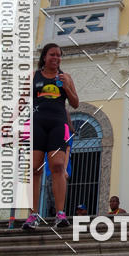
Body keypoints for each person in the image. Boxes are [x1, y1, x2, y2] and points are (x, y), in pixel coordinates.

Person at [23, 44, 79, 230]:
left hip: (58, 123)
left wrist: (65, 86)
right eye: (52, 54)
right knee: (34, 168)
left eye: (59, 55)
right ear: (44, 57)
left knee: (57, 165)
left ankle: (60, 213)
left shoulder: (66, 77)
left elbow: (75, 103)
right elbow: (23, 101)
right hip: (37, 124)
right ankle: (32, 215)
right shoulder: (33, 76)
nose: (56, 58)